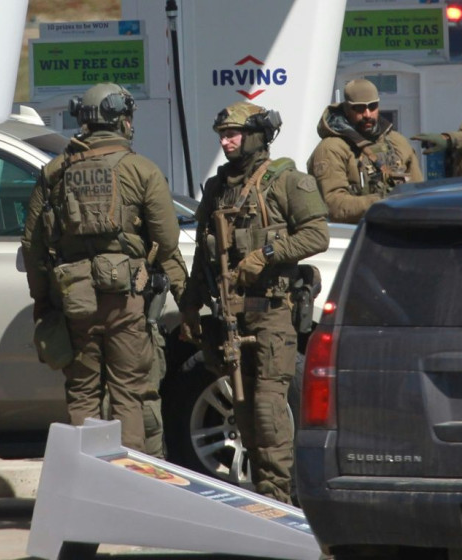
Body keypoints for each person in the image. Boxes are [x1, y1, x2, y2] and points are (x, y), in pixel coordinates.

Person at [21, 82, 188, 453]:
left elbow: (32, 245)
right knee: (129, 393)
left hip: (74, 300)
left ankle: (87, 479)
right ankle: (128, 485)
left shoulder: (55, 172)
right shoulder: (141, 170)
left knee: (82, 394)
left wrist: (43, 301)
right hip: (126, 299)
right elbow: (168, 239)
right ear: (122, 121)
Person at [180, 101, 329, 503]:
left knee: (267, 409)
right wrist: (190, 306)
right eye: (222, 135)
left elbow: (317, 235)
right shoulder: (217, 188)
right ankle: (260, 500)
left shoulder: (285, 181)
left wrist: (265, 255)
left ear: (257, 136)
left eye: (234, 134)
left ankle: (279, 498)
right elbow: (201, 254)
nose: (226, 141)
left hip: (271, 312)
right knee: (242, 412)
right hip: (230, 315)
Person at [307, 78, 423, 223]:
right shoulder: (332, 149)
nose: (367, 114)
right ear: (347, 109)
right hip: (355, 237)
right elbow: (333, 205)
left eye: (372, 106)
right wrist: (383, 202)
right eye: (360, 108)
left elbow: (419, 192)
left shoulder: (397, 142)